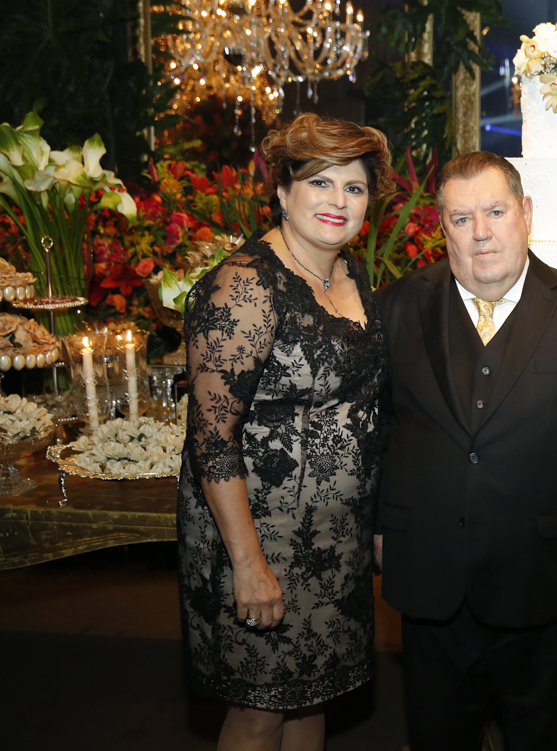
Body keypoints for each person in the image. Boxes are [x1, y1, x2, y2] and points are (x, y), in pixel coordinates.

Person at [373, 151, 557, 751]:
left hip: (543, 584)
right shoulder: (396, 306)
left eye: (495, 211)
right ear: (443, 227)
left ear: (524, 213)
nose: (481, 232)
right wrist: (383, 526)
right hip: (432, 577)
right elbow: (382, 430)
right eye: (462, 218)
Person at [177, 114, 393, 750]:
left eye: (353, 189)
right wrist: (248, 564)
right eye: (319, 183)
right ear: (282, 191)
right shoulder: (245, 285)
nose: (337, 202)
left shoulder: (353, 278)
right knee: (259, 711)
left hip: (333, 541)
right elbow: (211, 439)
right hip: (257, 539)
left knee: (312, 697)